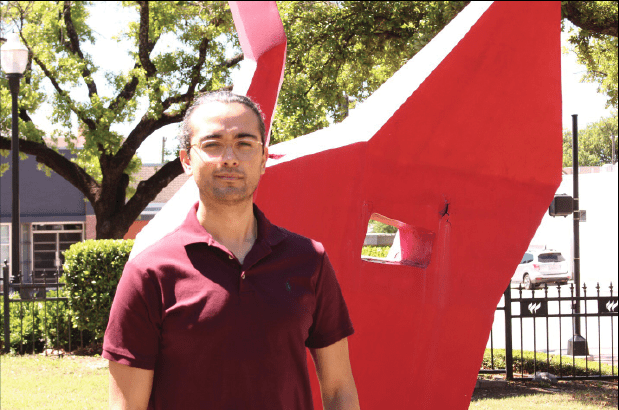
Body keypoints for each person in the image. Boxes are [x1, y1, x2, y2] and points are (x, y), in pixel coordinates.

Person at [103, 91, 360, 410]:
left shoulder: (309, 259)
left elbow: (339, 390)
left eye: (244, 143)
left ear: (264, 158)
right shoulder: (149, 272)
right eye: (212, 144)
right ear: (186, 160)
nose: (230, 158)